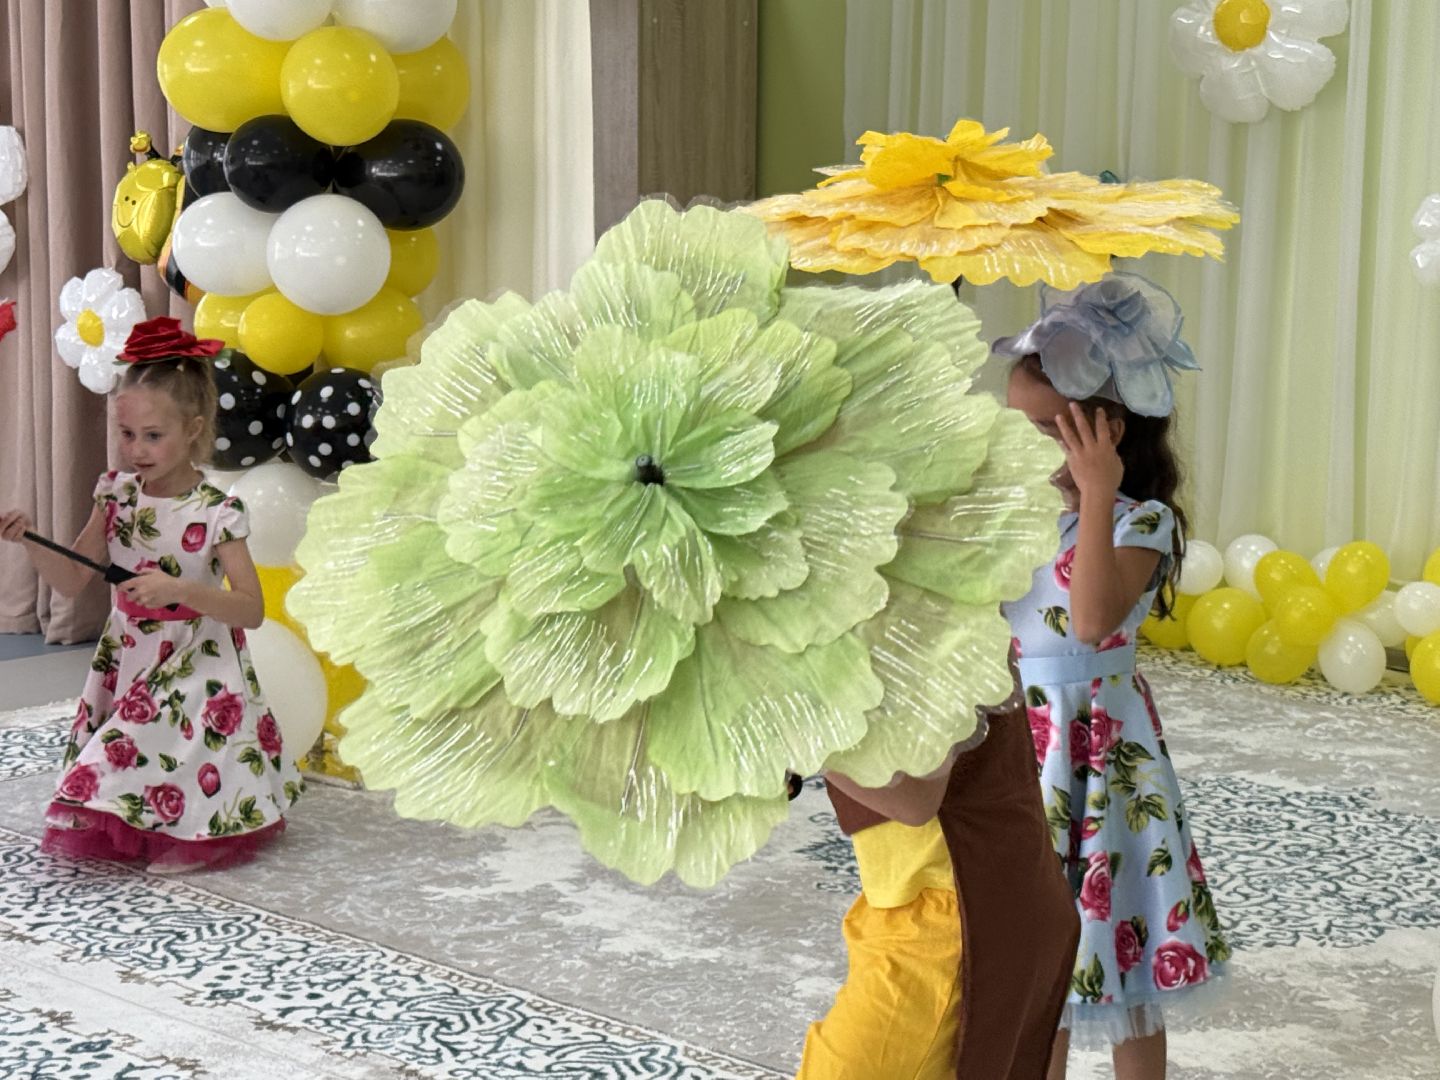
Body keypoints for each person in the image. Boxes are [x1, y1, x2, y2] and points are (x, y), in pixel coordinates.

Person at [993, 275, 1230, 1079]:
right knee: (1039, 954)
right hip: (1029, 748)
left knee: (1120, 947)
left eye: (1042, 431)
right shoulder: (1015, 512)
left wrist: (1096, 496)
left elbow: (1092, 620)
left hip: (1105, 758)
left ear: (1104, 427)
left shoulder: (1139, 520)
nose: (1024, 449)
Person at [0, 317, 301, 872]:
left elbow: (251, 609)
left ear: (193, 428)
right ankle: (151, 819)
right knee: (126, 752)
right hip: (130, 651)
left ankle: (195, 833)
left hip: (197, 655)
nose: (136, 450)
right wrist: (30, 544)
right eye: (126, 434)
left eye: (152, 436)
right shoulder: (114, 494)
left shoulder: (217, 511)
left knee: (172, 740)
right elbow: (72, 578)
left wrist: (181, 588)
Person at [798, 675, 1081, 1079]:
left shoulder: (930, 622)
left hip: (955, 915)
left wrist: (783, 733)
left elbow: (916, 797)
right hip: (943, 900)